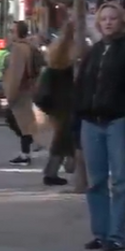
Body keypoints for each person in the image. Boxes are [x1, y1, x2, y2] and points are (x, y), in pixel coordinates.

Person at [74, 1, 125, 251]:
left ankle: (117, 235)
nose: (107, 22)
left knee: (120, 182)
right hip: (91, 123)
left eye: (112, 18)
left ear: (121, 22)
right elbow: (81, 88)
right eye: (103, 18)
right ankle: (101, 232)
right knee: (95, 182)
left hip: (118, 122)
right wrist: (77, 124)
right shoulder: (93, 52)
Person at [35, 21, 79, 186]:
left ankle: (58, 170)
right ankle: (59, 170)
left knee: (62, 136)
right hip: (68, 100)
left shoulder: (56, 47)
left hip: (55, 102)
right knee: (66, 137)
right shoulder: (77, 48)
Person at [3, 21, 42, 165]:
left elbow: (15, 73)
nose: (10, 33)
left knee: (18, 121)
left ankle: (26, 152)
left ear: (18, 32)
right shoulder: (29, 47)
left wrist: (11, 94)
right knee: (24, 122)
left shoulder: (18, 49)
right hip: (28, 88)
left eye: (12, 31)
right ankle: (27, 149)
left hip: (20, 90)